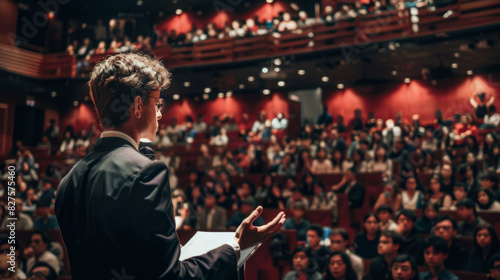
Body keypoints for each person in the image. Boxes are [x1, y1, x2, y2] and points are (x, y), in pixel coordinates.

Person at [55, 53, 286, 280]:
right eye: (157, 103)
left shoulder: (68, 181)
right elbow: (170, 276)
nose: (160, 113)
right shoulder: (146, 172)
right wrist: (235, 248)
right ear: (137, 105)